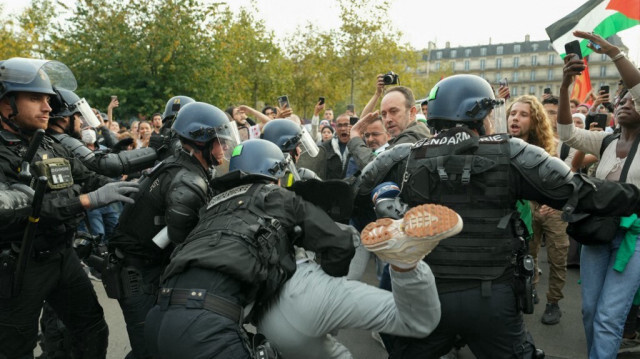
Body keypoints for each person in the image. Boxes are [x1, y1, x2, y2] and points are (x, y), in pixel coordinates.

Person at [355, 73, 640, 358]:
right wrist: (635, 197)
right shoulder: (511, 152)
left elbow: (356, 198)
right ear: (478, 113)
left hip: (425, 292)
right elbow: (579, 191)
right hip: (491, 298)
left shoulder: (403, 156)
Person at [144, 139, 355, 359]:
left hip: (158, 318)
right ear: (276, 174)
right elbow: (340, 244)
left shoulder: (212, 206)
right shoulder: (276, 197)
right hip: (206, 327)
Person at [0, 57, 139, 358]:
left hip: (62, 255)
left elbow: (88, 176)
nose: (48, 107)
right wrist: (86, 200)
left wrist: (139, 185)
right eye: (35, 98)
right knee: (14, 349)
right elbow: (25, 207)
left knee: (92, 330)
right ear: (5, 103)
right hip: (19, 263)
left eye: (48, 99)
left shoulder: (49, 143)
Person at [108, 102, 239, 359]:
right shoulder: (187, 182)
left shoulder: (185, 164)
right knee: (149, 350)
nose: (225, 147)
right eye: (220, 141)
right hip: (137, 275)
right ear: (202, 142)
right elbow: (187, 245)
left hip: (149, 266)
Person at [258, 200, 463, 359]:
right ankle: (406, 266)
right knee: (417, 321)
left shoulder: (226, 214)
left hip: (268, 318)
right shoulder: (280, 198)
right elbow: (337, 240)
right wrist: (333, 275)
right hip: (313, 286)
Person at [558, 30, 640, 358]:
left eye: (633, 100)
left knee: (609, 316)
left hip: (633, 241)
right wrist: (565, 87)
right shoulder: (605, 141)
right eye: (622, 99)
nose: (625, 103)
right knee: (590, 310)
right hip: (598, 232)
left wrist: (613, 53)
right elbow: (565, 132)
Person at [507, 94, 568, 325]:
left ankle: (554, 302)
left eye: (523, 114)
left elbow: (559, 181)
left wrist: (554, 202)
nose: (516, 118)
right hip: (525, 211)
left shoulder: (545, 148)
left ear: (534, 121)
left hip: (552, 210)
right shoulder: (502, 145)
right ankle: (529, 289)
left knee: (557, 256)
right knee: (527, 255)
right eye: (513, 113)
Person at [261, 118, 320, 185]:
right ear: (285, 148)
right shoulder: (304, 177)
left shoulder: (256, 175)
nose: (300, 150)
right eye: (297, 146)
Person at [318, 114, 353, 179]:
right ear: (336, 128)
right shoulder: (325, 147)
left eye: (346, 125)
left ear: (352, 126)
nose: (343, 129)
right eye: (340, 125)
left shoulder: (358, 146)